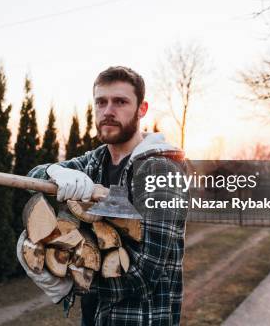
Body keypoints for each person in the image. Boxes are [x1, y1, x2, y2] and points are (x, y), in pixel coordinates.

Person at [16, 66, 187, 326]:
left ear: (142, 109)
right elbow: (33, 178)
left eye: (120, 102)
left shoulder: (160, 169)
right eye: (101, 102)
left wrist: (69, 283)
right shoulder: (94, 162)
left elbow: (146, 273)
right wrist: (52, 171)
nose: (108, 111)